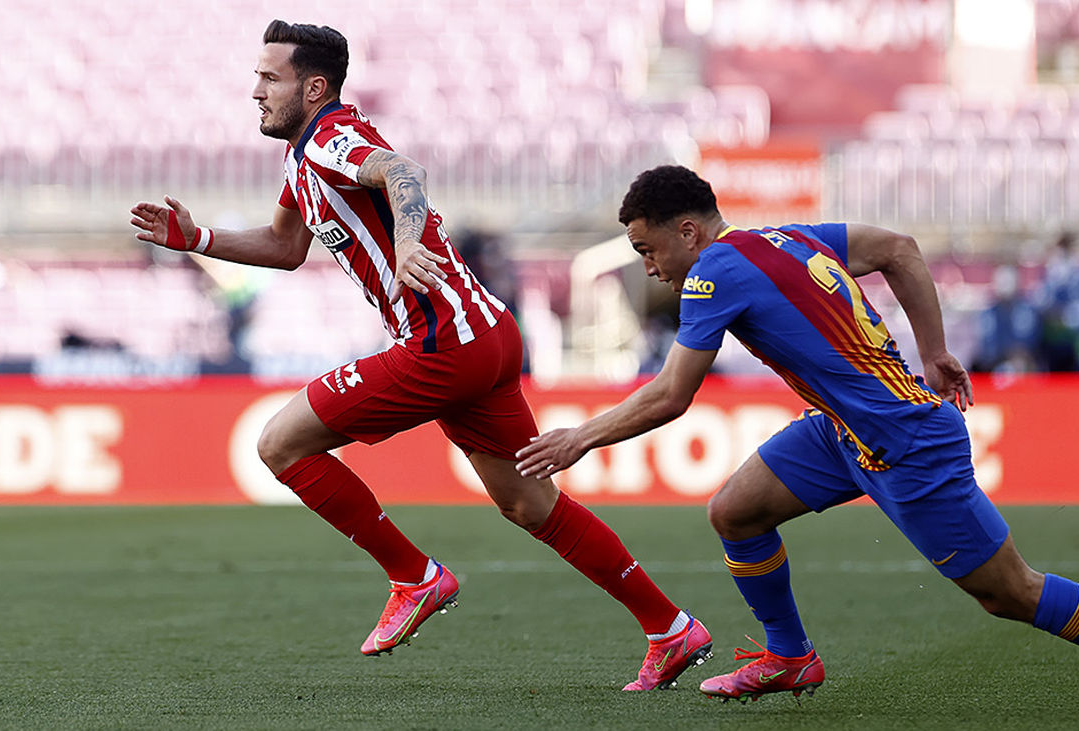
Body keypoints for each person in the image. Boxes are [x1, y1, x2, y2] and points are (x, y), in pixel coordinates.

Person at [129, 21, 711, 691]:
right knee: (529, 503)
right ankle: (670, 627)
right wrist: (197, 237)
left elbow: (401, 171)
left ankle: (414, 576)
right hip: (484, 334)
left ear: (314, 87)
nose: (254, 90)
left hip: (441, 345)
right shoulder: (300, 157)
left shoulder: (331, 139)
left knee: (280, 444)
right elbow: (286, 248)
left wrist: (407, 240)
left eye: (270, 78)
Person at [515, 165, 1079, 713]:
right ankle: (791, 655)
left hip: (907, 440)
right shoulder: (786, 236)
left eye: (649, 247)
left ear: (690, 231)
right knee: (735, 511)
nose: (649, 265)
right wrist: (935, 350)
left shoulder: (711, 274)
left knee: (1009, 592)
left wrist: (580, 437)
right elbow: (900, 249)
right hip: (848, 431)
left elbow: (672, 393)